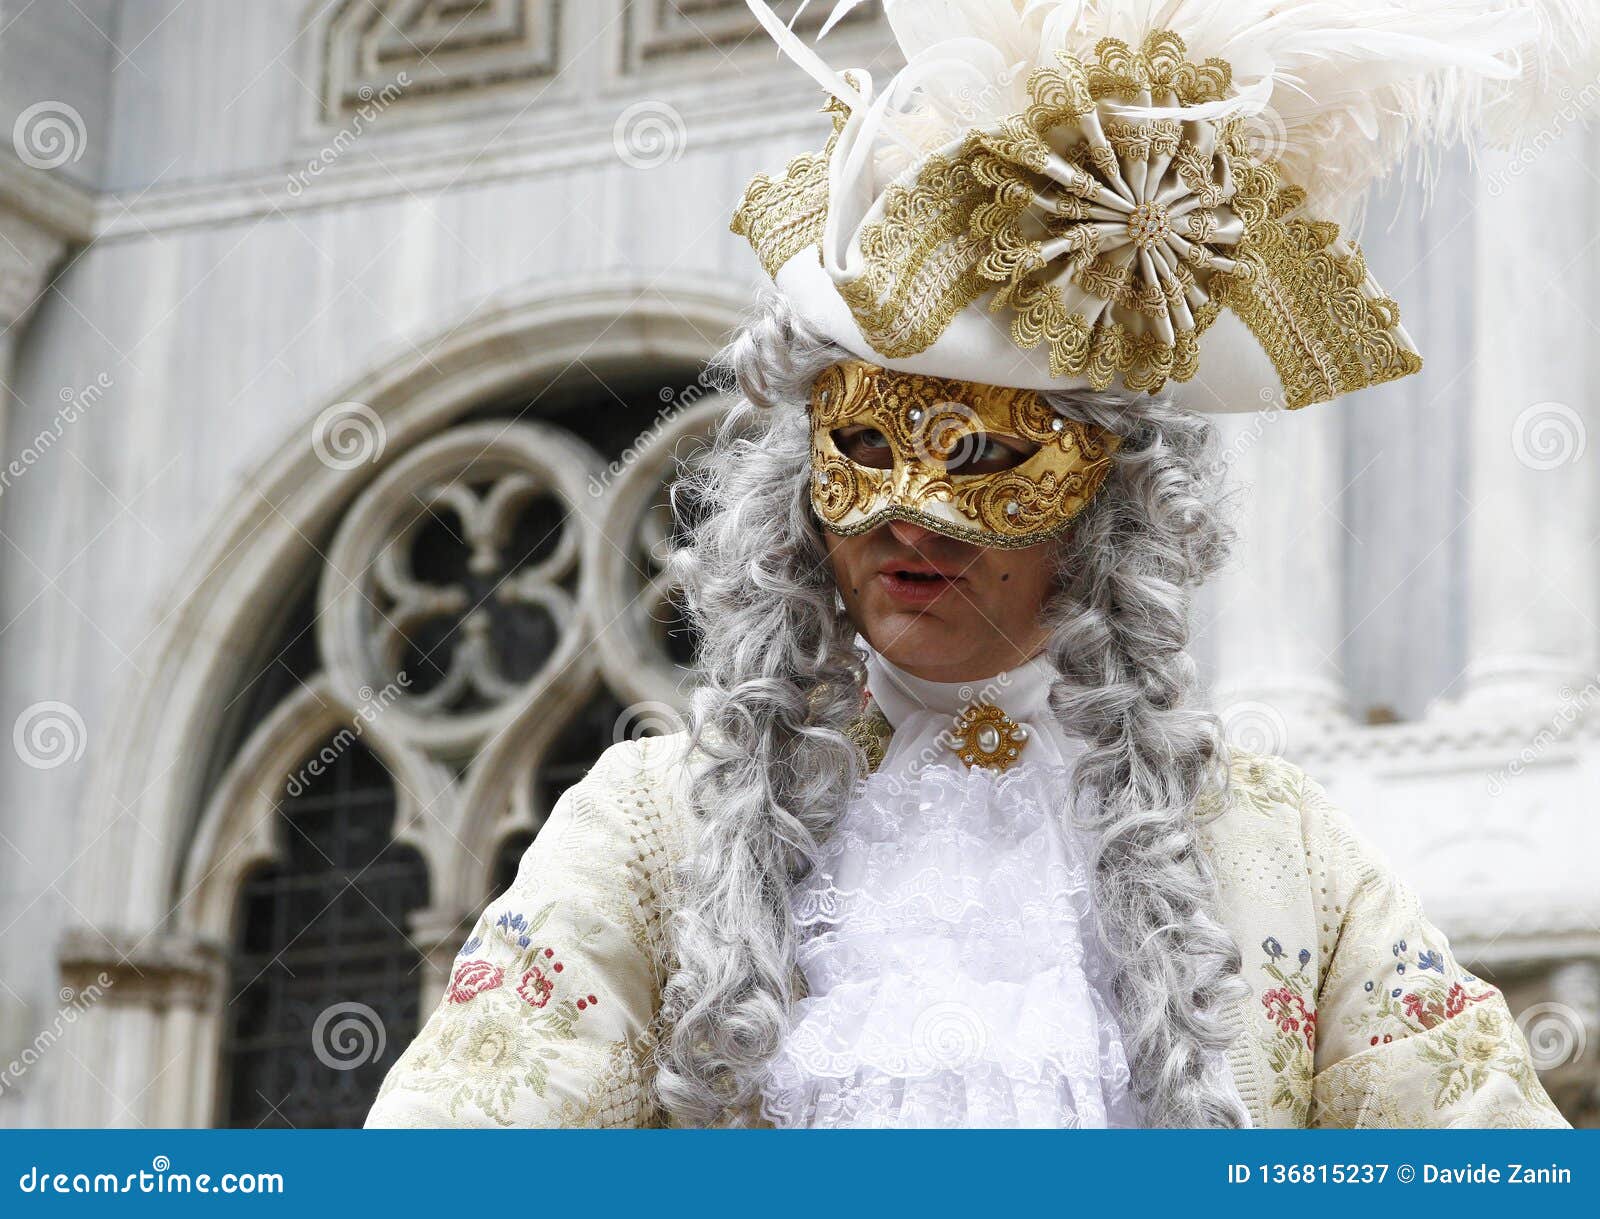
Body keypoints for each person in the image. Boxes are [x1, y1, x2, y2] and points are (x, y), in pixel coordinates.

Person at [366, 0, 1590, 1128]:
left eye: (989, 459)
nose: (912, 519)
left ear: (1110, 502)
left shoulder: (1277, 854)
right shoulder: (650, 833)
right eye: (860, 448)